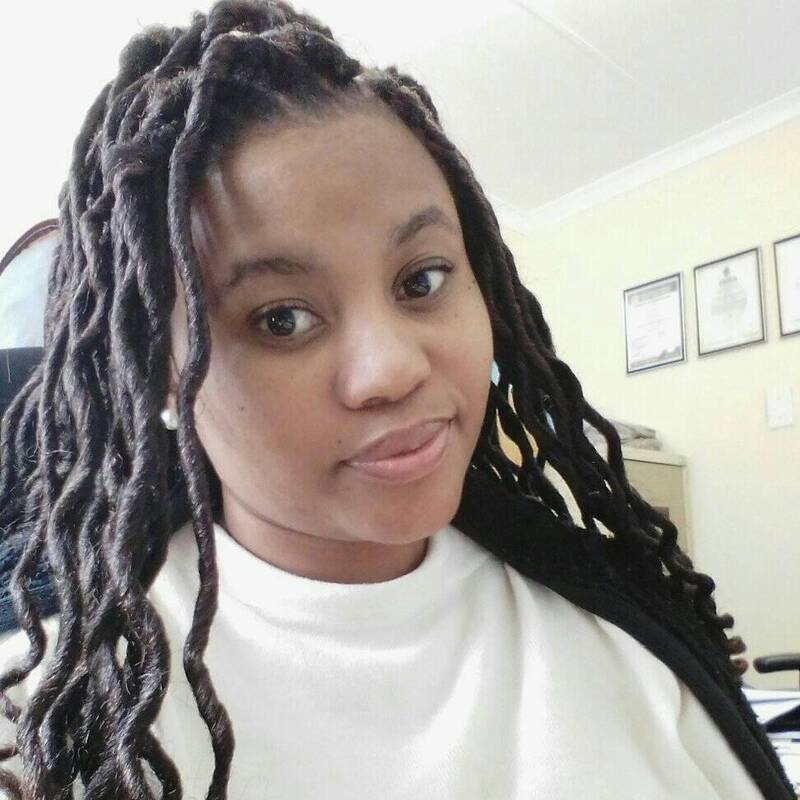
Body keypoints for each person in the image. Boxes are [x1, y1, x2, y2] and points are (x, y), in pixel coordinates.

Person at [0, 1, 793, 798]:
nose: (393, 369)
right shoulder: (59, 714)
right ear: (162, 372)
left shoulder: (630, 635)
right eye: (281, 319)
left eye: (422, 279)